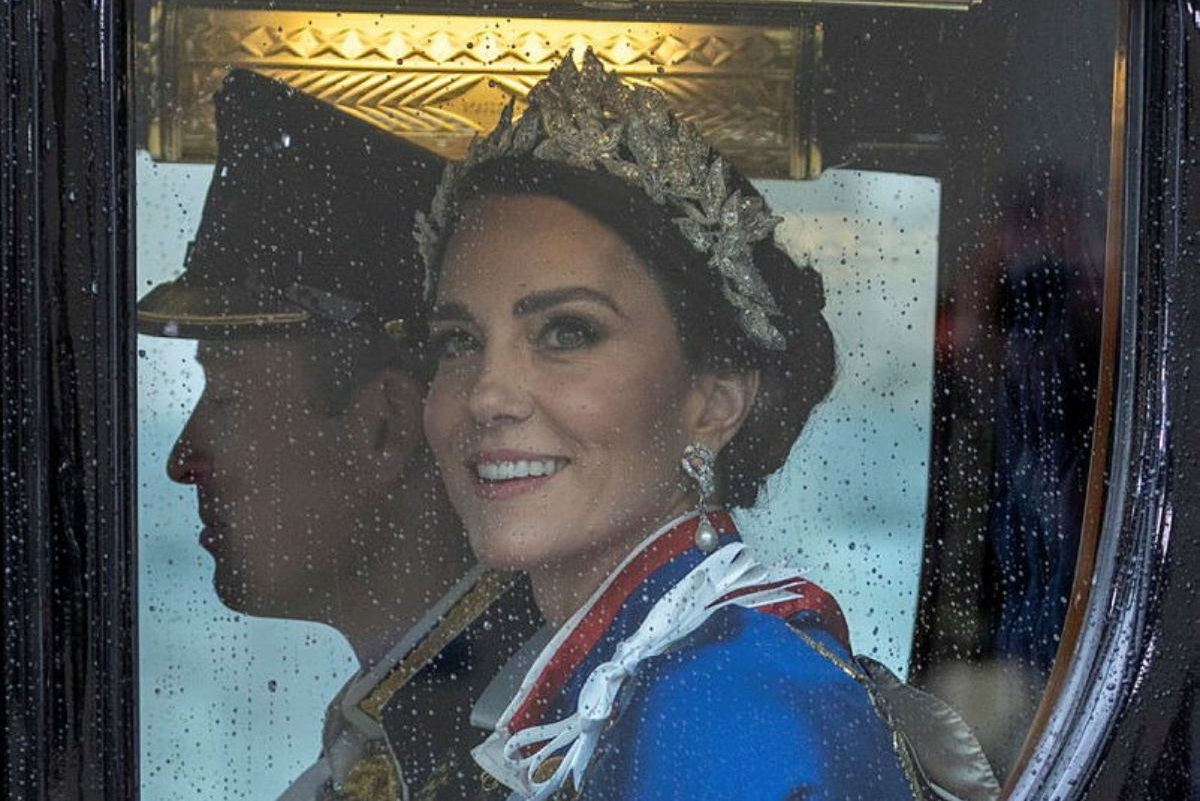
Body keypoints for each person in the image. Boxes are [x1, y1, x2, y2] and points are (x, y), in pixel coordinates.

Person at [414, 51, 996, 801]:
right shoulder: (657, 677)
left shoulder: (719, 706)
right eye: (457, 342)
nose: (488, 393)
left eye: (567, 333)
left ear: (715, 402)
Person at [137, 68, 540, 801]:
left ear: (384, 425)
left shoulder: (517, 755)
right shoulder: (442, 729)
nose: (183, 459)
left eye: (225, 397)